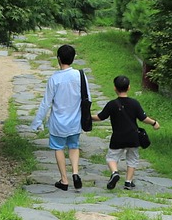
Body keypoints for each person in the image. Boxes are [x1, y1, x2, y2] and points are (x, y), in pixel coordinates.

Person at [28, 44, 90, 191]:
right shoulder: (80, 75)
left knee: (58, 148)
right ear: (73, 59)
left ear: (58, 59)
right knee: (74, 146)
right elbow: (88, 98)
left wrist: (37, 122)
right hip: (75, 121)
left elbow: (46, 103)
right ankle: (75, 172)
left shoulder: (54, 79)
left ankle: (64, 179)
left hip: (58, 122)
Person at [93, 74, 159, 190]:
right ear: (129, 87)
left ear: (114, 88)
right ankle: (128, 182)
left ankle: (115, 173)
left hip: (118, 137)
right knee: (132, 160)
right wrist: (154, 123)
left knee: (111, 158)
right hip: (133, 137)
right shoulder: (134, 103)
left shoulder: (112, 104)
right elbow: (143, 118)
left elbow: (100, 117)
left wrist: (87, 117)